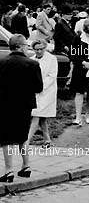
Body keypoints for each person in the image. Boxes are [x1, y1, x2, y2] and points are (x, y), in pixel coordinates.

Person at [0, 34, 43, 182]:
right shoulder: (32, 64)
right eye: (25, 45)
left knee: (6, 138)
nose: (27, 47)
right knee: (22, 135)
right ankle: (26, 166)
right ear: (19, 46)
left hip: (5, 104)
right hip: (25, 104)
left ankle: (8, 170)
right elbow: (39, 87)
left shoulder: (2, 62)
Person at [27, 39, 58, 147]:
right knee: (41, 116)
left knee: (37, 114)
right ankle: (47, 139)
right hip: (34, 91)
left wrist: (40, 87)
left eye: (41, 49)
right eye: (36, 50)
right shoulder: (31, 60)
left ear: (45, 48)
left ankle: (27, 141)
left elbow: (52, 76)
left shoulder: (52, 59)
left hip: (47, 91)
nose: (39, 51)